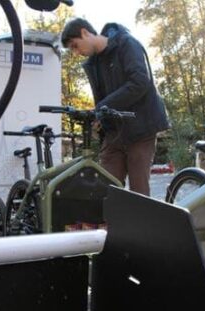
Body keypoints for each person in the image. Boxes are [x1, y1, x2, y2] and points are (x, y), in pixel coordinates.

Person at [61, 18, 170, 196]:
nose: (75, 52)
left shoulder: (127, 44)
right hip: (114, 133)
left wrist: (102, 107)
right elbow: (103, 99)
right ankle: (111, 224)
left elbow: (140, 82)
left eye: (75, 45)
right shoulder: (93, 63)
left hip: (141, 129)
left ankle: (141, 224)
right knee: (106, 191)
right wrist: (99, 118)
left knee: (138, 194)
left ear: (84, 32)